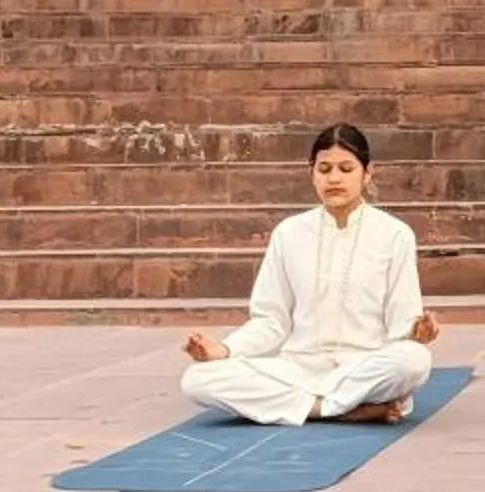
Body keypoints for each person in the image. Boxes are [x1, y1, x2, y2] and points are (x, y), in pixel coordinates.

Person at [181, 124, 436, 425]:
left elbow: (401, 323)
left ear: (368, 173)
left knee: (414, 362)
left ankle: (315, 405)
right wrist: (224, 350)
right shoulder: (289, 234)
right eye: (325, 169)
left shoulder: (395, 235)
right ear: (311, 173)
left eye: (346, 168)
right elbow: (270, 321)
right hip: (297, 369)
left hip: (362, 367)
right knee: (196, 379)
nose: (335, 178)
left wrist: (416, 334)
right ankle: (336, 408)